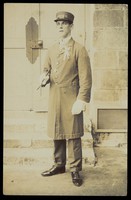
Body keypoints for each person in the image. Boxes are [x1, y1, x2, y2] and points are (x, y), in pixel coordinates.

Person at [39, 11, 92, 187]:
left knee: (73, 134)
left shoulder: (79, 49)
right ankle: (59, 164)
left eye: (64, 23)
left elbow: (86, 78)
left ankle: (75, 169)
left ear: (71, 26)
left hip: (72, 98)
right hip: (55, 97)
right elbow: (46, 68)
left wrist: (82, 100)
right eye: (58, 23)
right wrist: (44, 77)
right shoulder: (52, 49)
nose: (60, 26)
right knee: (57, 131)